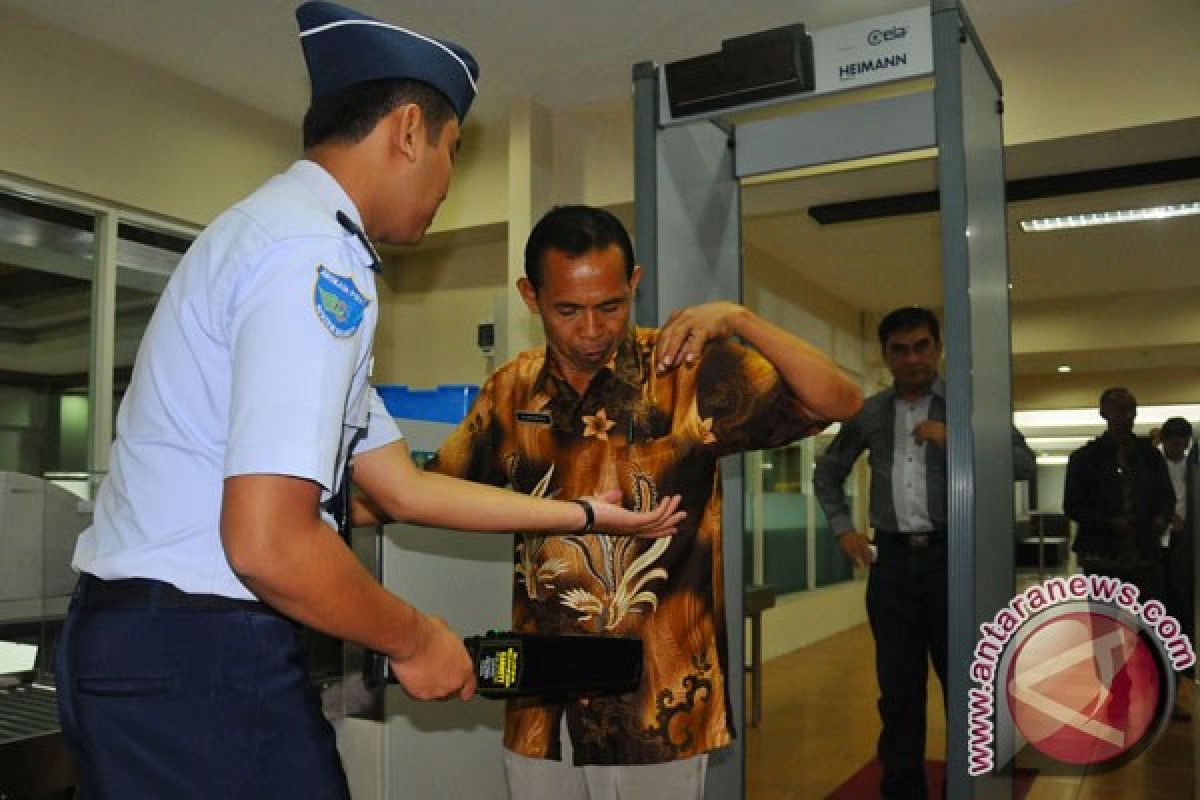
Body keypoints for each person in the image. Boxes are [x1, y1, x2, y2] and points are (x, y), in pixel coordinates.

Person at [53, 5, 684, 799]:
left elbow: (399, 487)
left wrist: (589, 516)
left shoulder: (278, 235)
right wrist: (416, 637)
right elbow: (268, 542)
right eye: (453, 153)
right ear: (410, 131)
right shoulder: (316, 258)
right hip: (200, 651)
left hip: (154, 647)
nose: (448, 183)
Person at [419, 205, 863, 800]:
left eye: (610, 306)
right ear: (531, 296)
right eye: (568, 310)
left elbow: (841, 400)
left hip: (657, 705)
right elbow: (428, 488)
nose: (592, 330)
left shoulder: (686, 373)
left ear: (634, 283)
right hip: (540, 706)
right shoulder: (512, 390)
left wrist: (738, 318)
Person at [813, 305, 1035, 800]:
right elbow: (827, 472)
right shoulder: (870, 412)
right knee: (898, 691)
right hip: (890, 565)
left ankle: (969, 786)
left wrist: (958, 440)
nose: (912, 359)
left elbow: (1022, 464)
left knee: (964, 684)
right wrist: (843, 529)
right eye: (900, 350)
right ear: (886, 355)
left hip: (951, 560)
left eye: (921, 347)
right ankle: (902, 789)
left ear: (937, 348)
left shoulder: (969, 406)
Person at [1064, 388, 1174, 605]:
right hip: (1101, 554)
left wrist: (1158, 523)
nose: (1129, 416)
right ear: (1104, 413)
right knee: (1106, 626)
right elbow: (1073, 506)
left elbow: (1166, 497)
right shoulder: (1085, 458)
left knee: (1147, 624)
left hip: (1144, 553)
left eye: (1133, 410)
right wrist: (1109, 523)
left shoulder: (1149, 456)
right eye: (1122, 409)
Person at [1157, 416, 1194, 718]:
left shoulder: (1190, 467)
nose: (1180, 449)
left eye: (1184, 444)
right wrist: (1168, 517)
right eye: (1176, 443)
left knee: (1182, 611)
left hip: (1184, 546)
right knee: (1159, 611)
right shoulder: (1150, 466)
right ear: (1164, 441)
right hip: (1155, 546)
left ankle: (1178, 682)